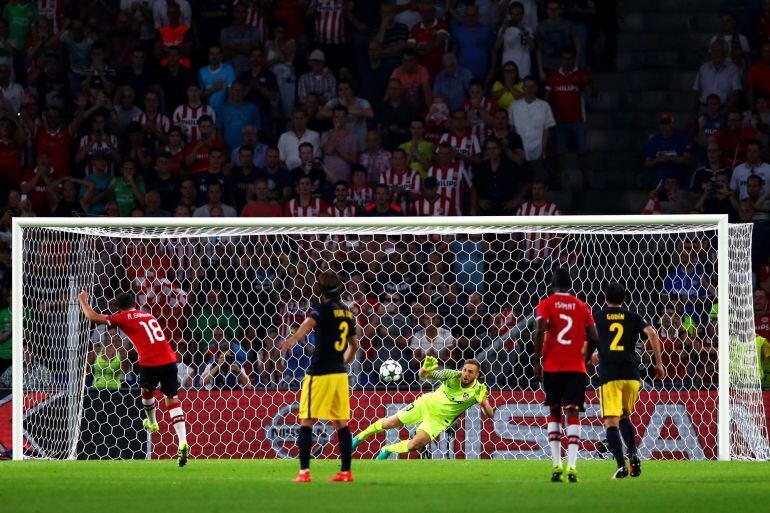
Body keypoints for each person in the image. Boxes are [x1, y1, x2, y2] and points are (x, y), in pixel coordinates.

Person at [78, 290, 190, 467]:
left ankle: (152, 422)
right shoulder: (146, 314)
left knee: (146, 392)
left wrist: (83, 300)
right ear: (134, 304)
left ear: (119, 309)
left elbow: (92, 317)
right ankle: (182, 441)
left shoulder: (123, 317)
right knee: (172, 400)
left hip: (150, 361)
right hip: (169, 358)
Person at [280, 270, 360, 483]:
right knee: (340, 422)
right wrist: (345, 361)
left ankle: (304, 473)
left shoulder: (322, 310)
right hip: (339, 375)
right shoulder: (347, 313)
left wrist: (293, 338)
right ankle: (345, 472)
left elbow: (308, 323)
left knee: (307, 420)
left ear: (320, 289)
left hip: (320, 373)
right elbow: (355, 345)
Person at [585, 282, 664, 479]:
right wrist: (658, 363)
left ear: (605, 298)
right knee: (624, 417)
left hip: (610, 375)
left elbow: (589, 341)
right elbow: (653, 334)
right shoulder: (633, 317)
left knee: (611, 422)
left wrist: (591, 355)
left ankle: (621, 465)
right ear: (624, 299)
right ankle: (634, 455)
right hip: (631, 376)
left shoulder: (598, 318)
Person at [352, 357, 493, 459]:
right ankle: (359, 438)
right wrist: (424, 369)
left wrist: (483, 403)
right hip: (424, 404)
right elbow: (425, 375)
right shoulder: (452, 375)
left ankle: (388, 449)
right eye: (465, 370)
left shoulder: (479, 391)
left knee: (414, 445)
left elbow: (489, 414)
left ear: (477, 375)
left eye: (470, 372)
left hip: (438, 421)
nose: (466, 374)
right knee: (390, 423)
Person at [533, 267, 598, 483]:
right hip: (575, 368)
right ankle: (572, 465)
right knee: (573, 414)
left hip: (552, 367)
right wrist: (585, 358)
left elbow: (540, 326)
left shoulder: (547, 304)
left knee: (554, 412)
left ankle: (556, 465)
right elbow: (595, 337)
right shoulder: (582, 306)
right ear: (571, 285)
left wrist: (537, 361)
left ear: (552, 283)